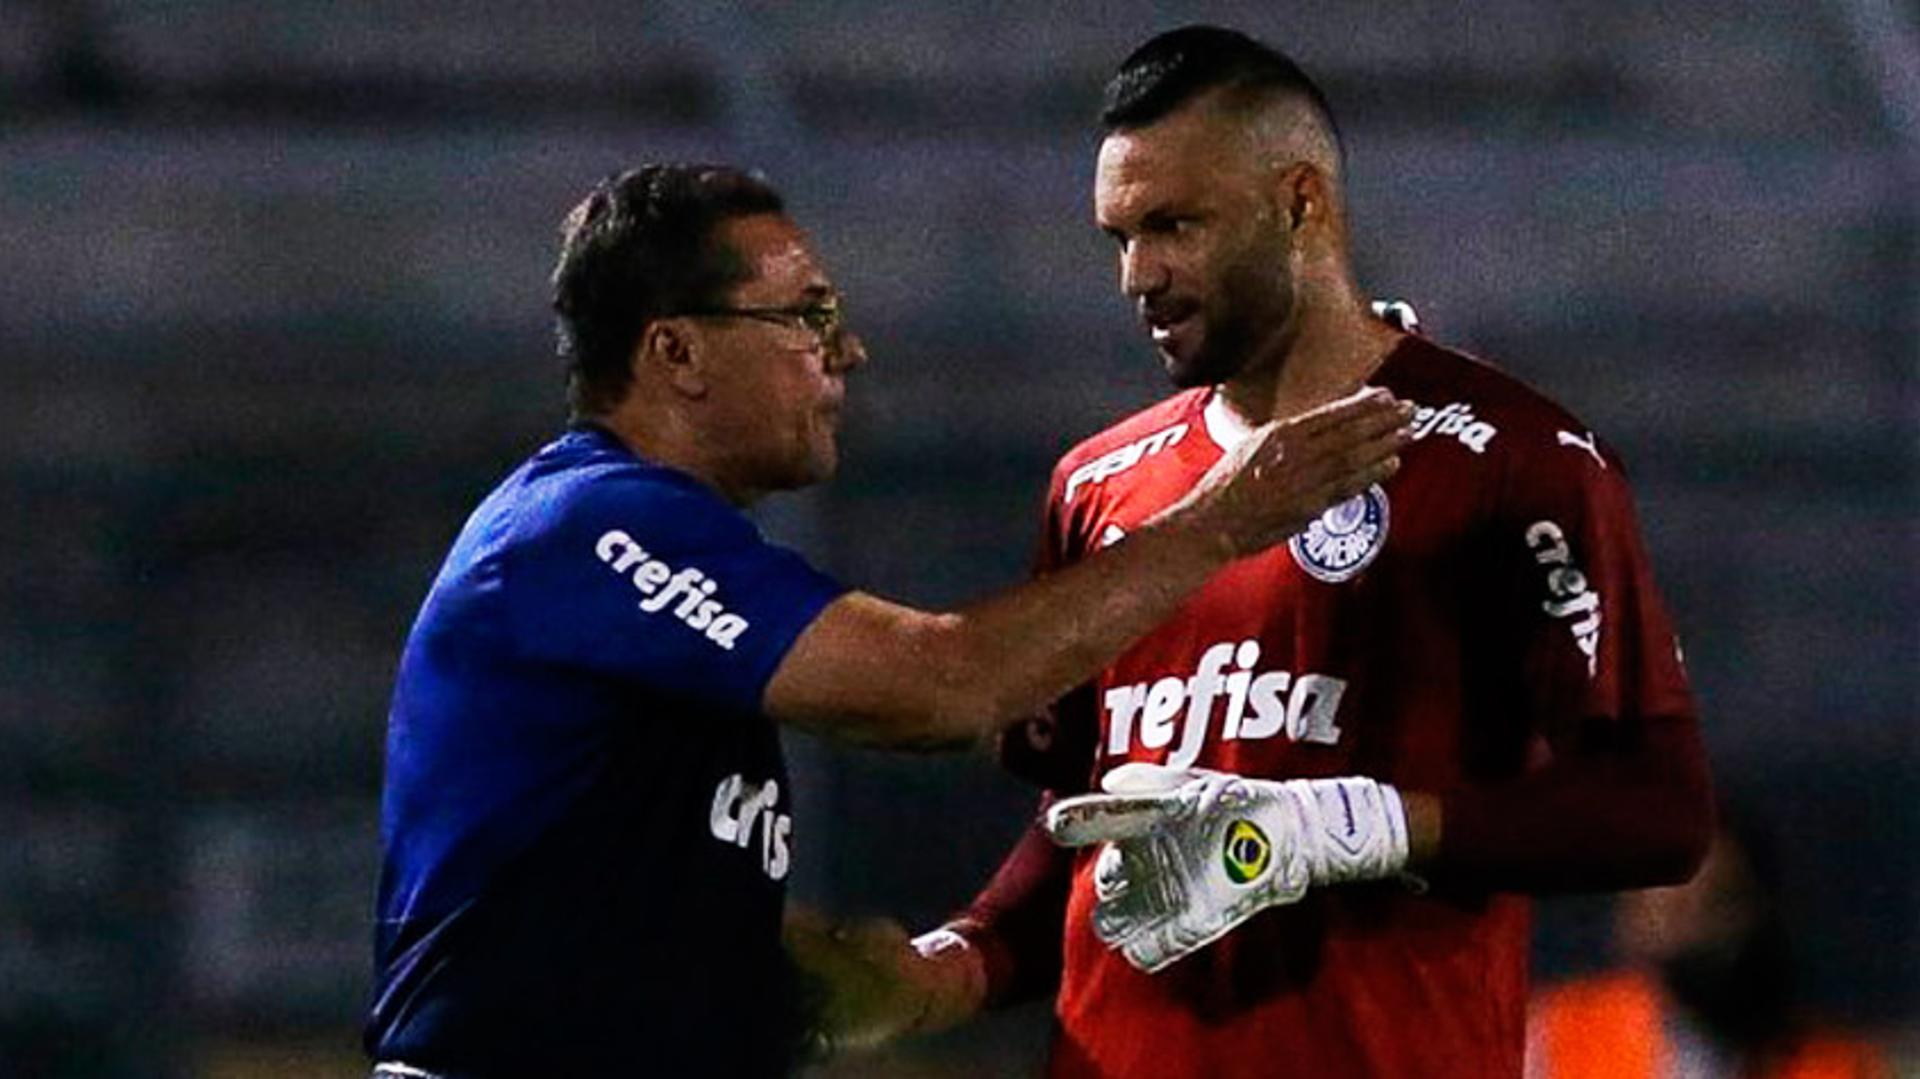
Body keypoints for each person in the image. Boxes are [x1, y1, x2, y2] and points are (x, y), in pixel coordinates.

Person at [362, 163, 1411, 1078]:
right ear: (676, 352)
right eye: (807, 316)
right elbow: (941, 688)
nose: (848, 350)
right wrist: (1226, 517)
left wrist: (878, 976)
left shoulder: (646, 559)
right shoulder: (585, 526)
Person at [880, 25, 1715, 1078]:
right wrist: (954, 961)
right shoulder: (1096, 484)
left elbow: (1658, 810)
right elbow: (1090, 825)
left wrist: (1357, 824)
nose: (1139, 273)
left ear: (1300, 203)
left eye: (1174, 225)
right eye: (1118, 237)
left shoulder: (1516, 457)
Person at [1527, 813, 1892, 1079]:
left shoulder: (1828, 1062)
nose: (1693, 929)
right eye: (1666, 906)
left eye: (1716, 903)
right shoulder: (1553, 1038)